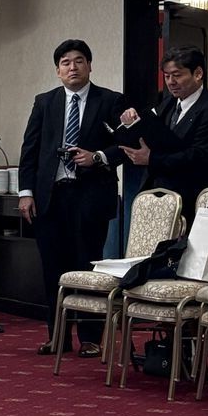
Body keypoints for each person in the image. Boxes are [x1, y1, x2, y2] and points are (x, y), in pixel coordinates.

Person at [19, 39, 126, 357]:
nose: (73, 67)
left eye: (79, 60)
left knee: (88, 267)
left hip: (90, 197)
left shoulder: (110, 100)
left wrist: (98, 157)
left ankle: (91, 337)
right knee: (53, 269)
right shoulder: (45, 102)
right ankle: (58, 336)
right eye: (65, 62)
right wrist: (25, 193)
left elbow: (126, 145)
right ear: (58, 70)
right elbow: (30, 149)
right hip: (51, 197)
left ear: (90, 66)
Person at [120, 45, 208, 222]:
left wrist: (151, 159)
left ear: (198, 74)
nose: (171, 82)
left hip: (190, 199)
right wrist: (132, 122)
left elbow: (200, 156)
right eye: (167, 76)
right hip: (156, 195)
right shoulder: (168, 102)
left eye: (177, 75)